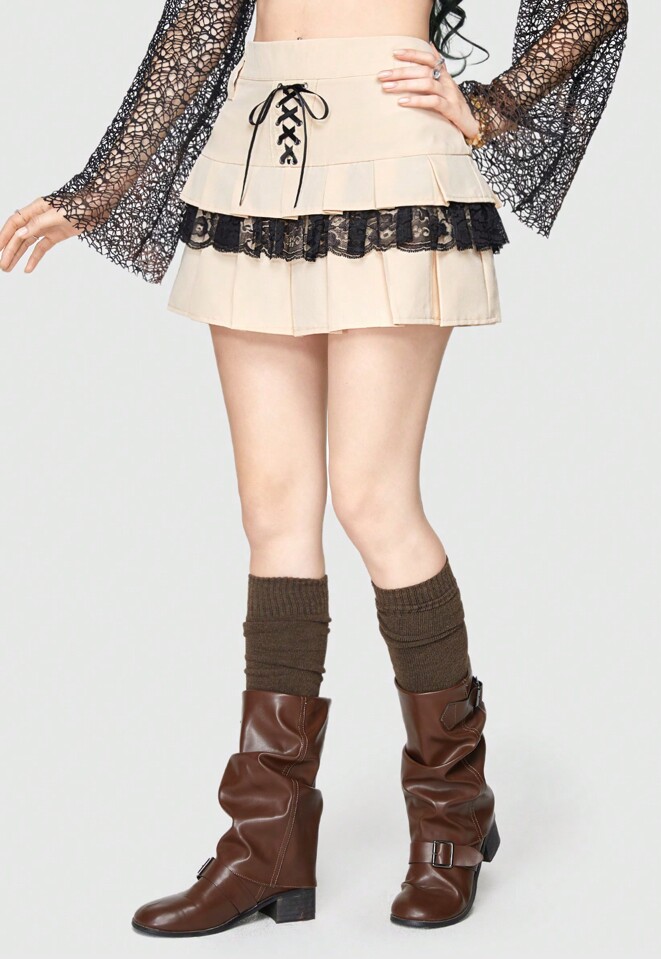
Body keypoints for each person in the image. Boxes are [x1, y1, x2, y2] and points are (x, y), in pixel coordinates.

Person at [0, 0, 628, 935]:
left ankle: (452, 814)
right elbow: (202, 20)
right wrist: (100, 187)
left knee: (373, 499)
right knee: (274, 511)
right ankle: (266, 843)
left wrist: (493, 106)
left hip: (393, 149)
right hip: (255, 152)